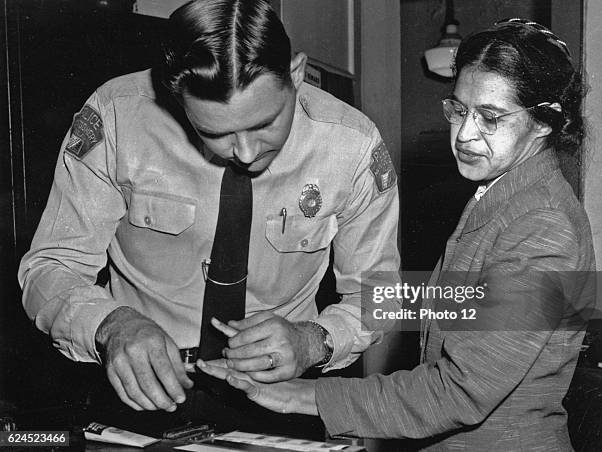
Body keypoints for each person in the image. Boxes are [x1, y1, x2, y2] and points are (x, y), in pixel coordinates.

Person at [200, 18, 596, 450]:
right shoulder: (504, 197)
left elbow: (460, 391)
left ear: (544, 123)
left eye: (490, 117)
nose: (464, 134)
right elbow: (461, 304)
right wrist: (313, 337)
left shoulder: (541, 227)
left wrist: (303, 395)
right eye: (459, 110)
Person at [17, 0, 400, 436]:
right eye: (214, 133)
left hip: (282, 398)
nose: (246, 153)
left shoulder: (352, 146)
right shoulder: (117, 116)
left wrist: (315, 340)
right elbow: (49, 267)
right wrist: (112, 325)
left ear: (295, 74)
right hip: (136, 393)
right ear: (175, 96)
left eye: (266, 123)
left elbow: (381, 295)